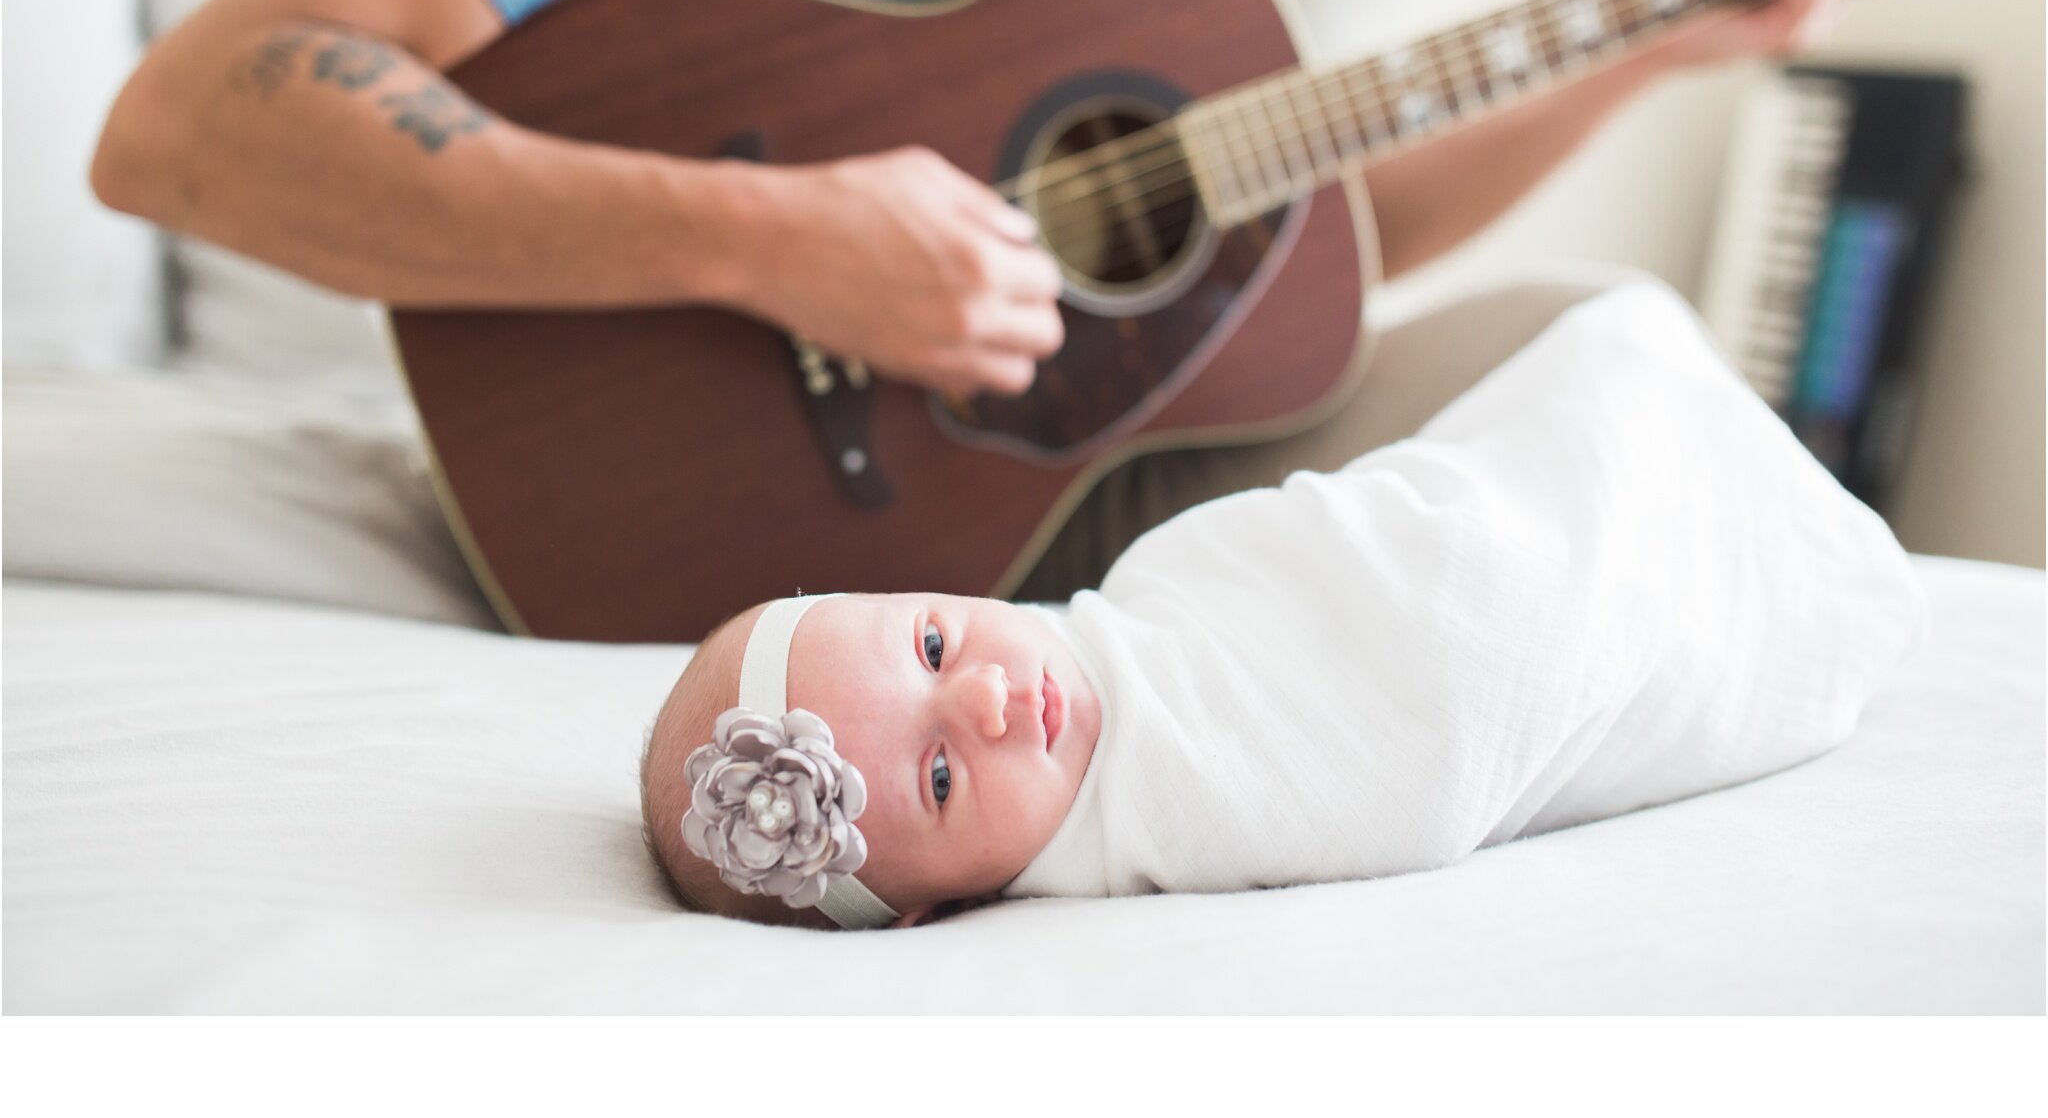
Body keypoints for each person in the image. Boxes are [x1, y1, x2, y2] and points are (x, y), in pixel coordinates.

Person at [89, 0, 1914, 601]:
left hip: (1083, 496)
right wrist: (767, 239)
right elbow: (184, 126)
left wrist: (1661, 38)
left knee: (1610, 350)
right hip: (698, 518)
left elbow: (1294, 239)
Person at [639, 276, 1927, 927]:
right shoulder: (1163, 823)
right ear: (933, 909)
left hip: (1476, 530)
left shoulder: (1122, 622)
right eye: (935, 781)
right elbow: (1426, 717)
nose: (981, 693)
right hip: (1550, 637)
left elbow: (1327, 556)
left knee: (1576, 410)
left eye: (929, 640)